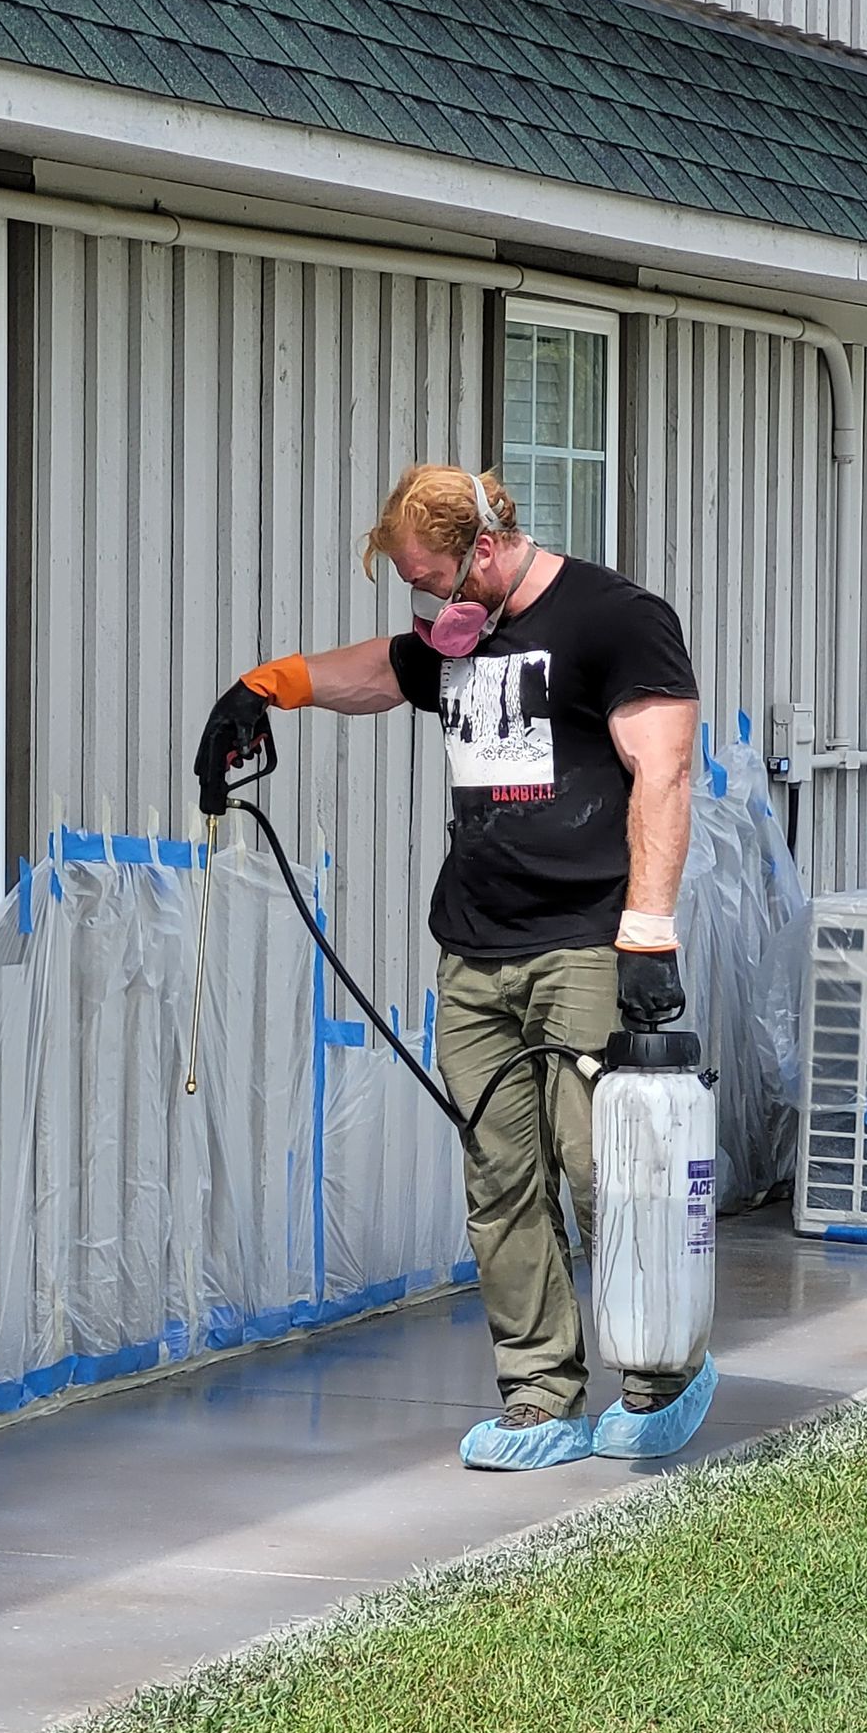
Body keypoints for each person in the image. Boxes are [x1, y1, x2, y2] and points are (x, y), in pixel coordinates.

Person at [194, 465, 716, 1472]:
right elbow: (382, 673)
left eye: (437, 581)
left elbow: (667, 769)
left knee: (605, 1170)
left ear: (482, 547)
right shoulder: (456, 639)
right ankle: (540, 1397)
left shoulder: (618, 619)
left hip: (585, 940)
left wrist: (648, 930)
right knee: (501, 1181)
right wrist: (268, 688)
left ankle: (663, 1375)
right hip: (475, 949)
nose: (433, 606)